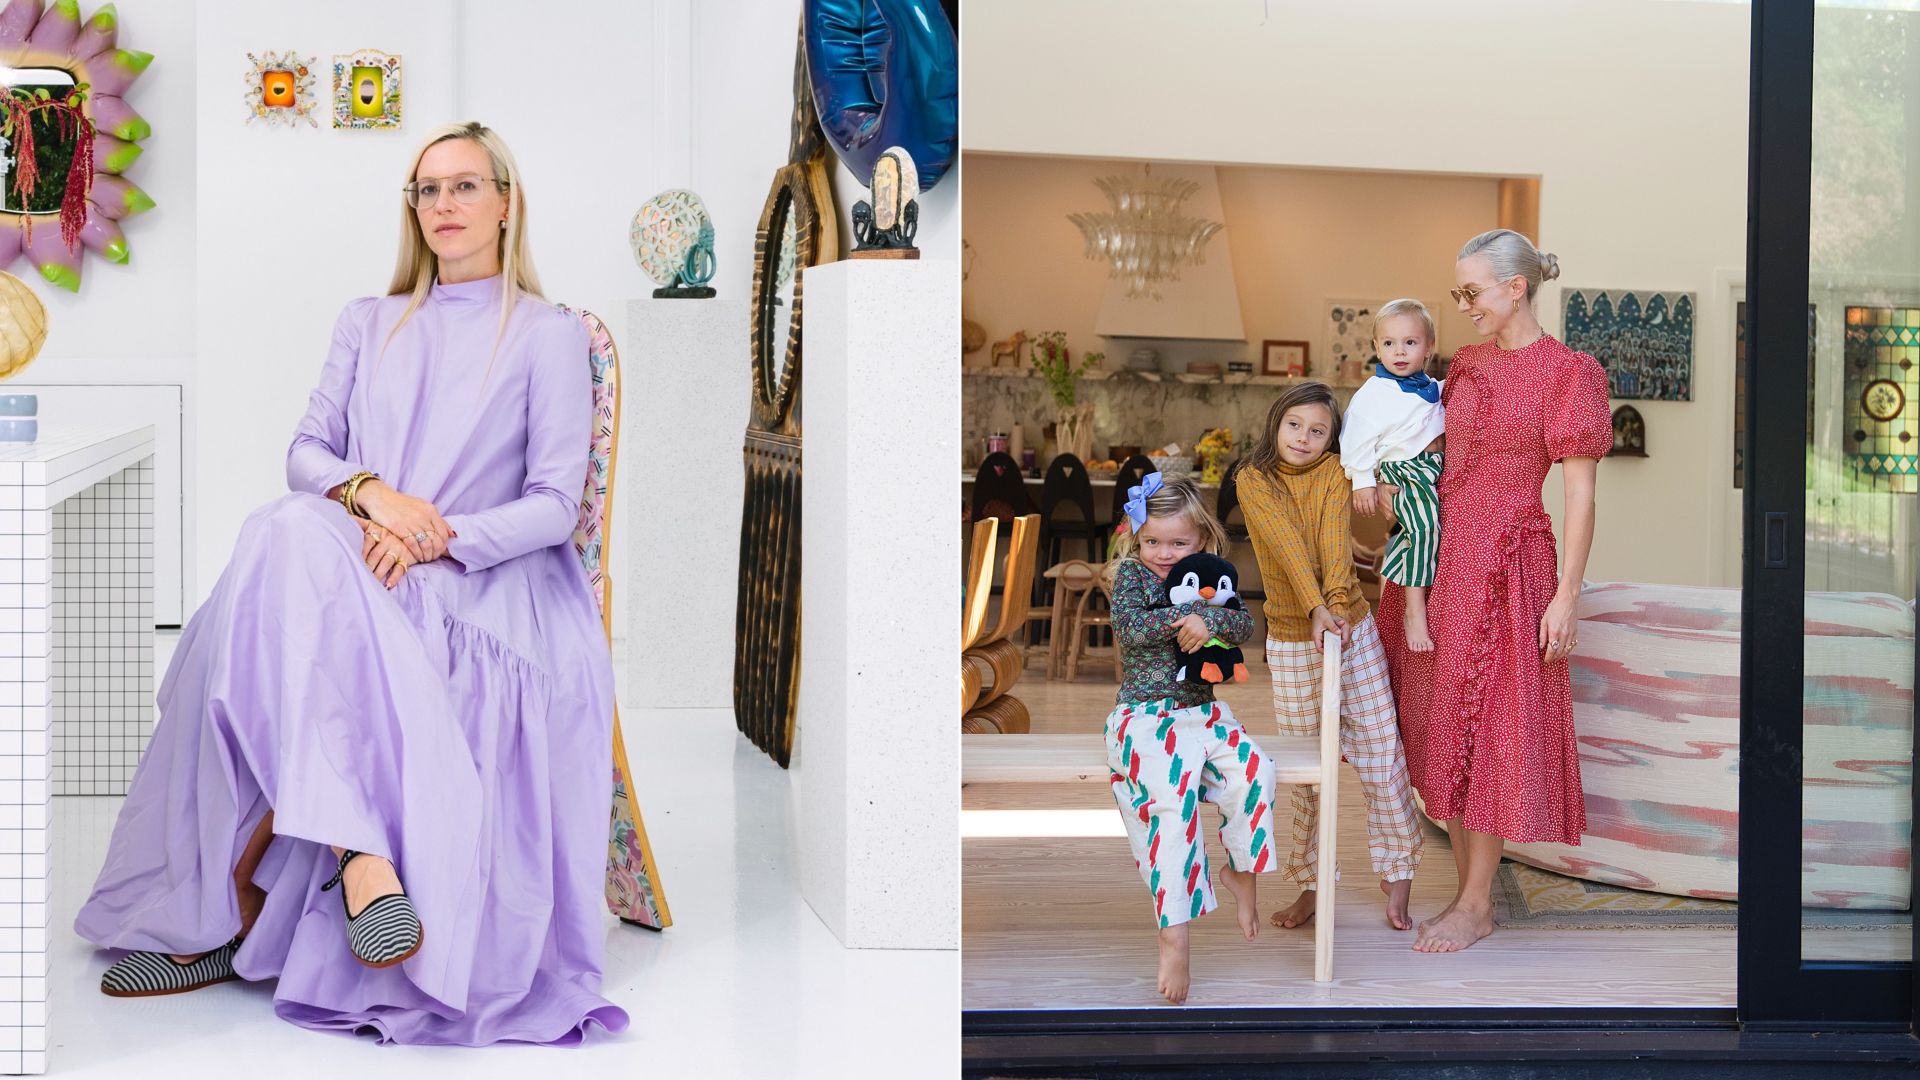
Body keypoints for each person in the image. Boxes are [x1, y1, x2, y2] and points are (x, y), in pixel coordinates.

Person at [73, 122, 630, 1045]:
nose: (443, 206)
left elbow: (552, 505)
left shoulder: (547, 335)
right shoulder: (367, 321)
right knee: (284, 529)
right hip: (354, 550)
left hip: (481, 579)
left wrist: (434, 540)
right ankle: (359, 854)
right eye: (426, 191)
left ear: (504, 201)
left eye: (462, 187)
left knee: (268, 581)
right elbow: (305, 454)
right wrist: (374, 496)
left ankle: (238, 913)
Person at [1375, 228, 1612, 953]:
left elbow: (1579, 498)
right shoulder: (1465, 363)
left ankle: (1475, 903)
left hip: (1510, 564)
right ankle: (1467, 895)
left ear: (1516, 287)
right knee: (1442, 722)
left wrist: (1566, 594)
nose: (1463, 305)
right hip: (1441, 561)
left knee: (1493, 731)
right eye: (1457, 293)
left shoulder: (1569, 373)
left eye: (1471, 292)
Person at [1234, 384, 1424, 933]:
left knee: (1381, 754)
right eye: (1295, 425)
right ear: (1276, 423)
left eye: (1318, 430)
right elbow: (1288, 545)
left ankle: (1399, 876)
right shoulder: (1253, 478)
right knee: (1308, 771)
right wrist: (1315, 609)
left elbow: (1333, 547)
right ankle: (1312, 887)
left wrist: (1336, 611)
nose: (1304, 438)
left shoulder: (1337, 471)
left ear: (1332, 438)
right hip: (1294, 641)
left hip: (1353, 632)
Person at [1102, 474, 1273, 1006]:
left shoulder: (1211, 575)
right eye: (1153, 541)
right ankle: (1173, 934)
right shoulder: (1131, 574)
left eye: (1178, 543)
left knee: (1255, 772)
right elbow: (1130, 627)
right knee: (1171, 810)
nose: (1164, 553)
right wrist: (1192, 616)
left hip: (1203, 712)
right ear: (1137, 537)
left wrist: (1209, 615)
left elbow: (1244, 623)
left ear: (1200, 540)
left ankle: (1241, 871)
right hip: (1144, 718)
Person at [1341, 299, 1447, 653]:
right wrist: (1364, 483)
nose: (1398, 352)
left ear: (1428, 347)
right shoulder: (1373, 394)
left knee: (1410, 537)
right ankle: (1414, 610)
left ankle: (1387, 576)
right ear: (1376, 348)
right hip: (1405, 471)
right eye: (1388, 343)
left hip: (1431, 470)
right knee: (1424, 529)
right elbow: (1354, 440)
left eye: (1410, 343)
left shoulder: (1432, 387)